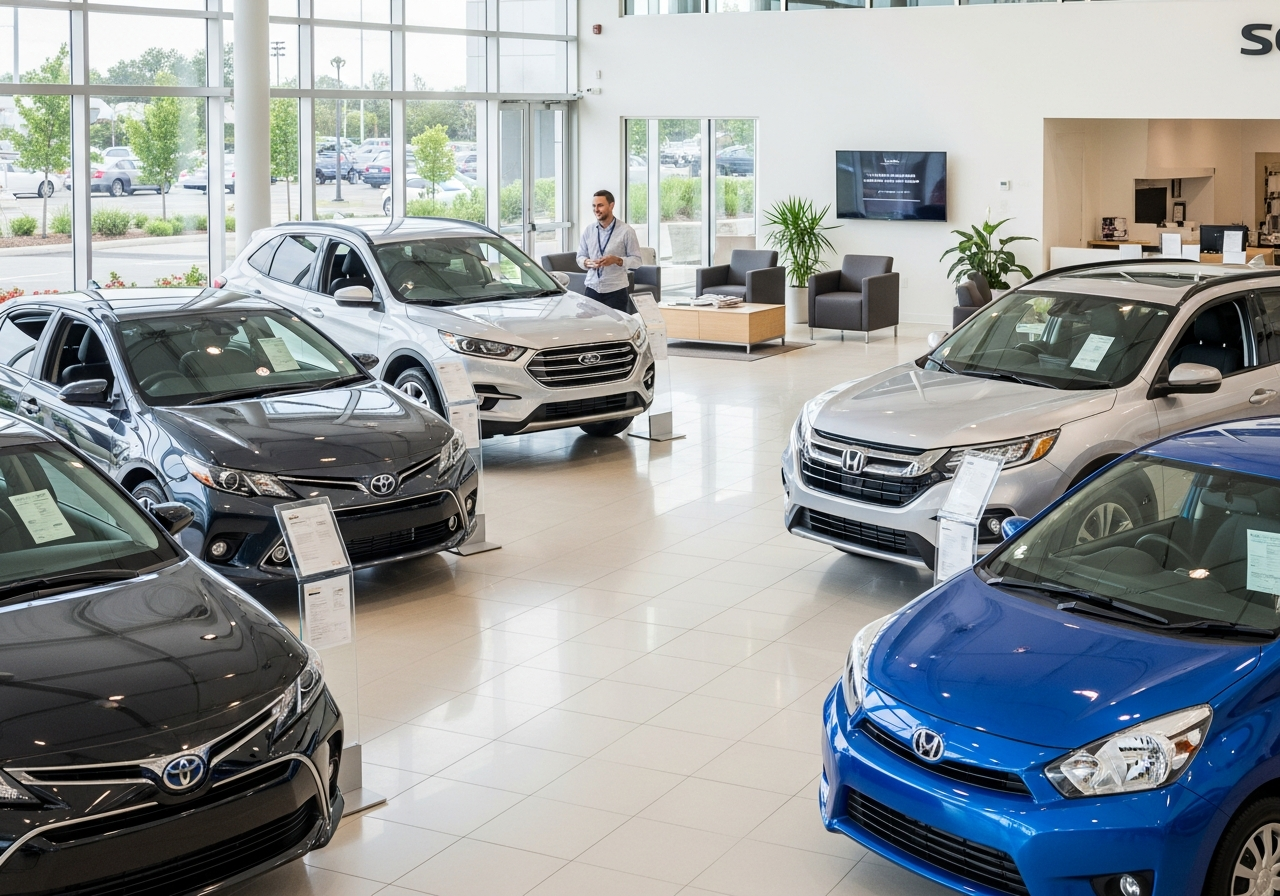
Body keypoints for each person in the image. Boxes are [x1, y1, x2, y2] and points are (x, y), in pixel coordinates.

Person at [576, 189, 641, 313]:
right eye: (594, 206)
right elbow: (580, 256)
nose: (596, 210)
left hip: (616, 291)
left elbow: (637, 261)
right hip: (592, 289)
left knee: (616, 325)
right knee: (591, 324)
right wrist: (587, 262)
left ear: (611, 206)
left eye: (600, 205)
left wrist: (617, 260)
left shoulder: (626, 231)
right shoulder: (589, 230)